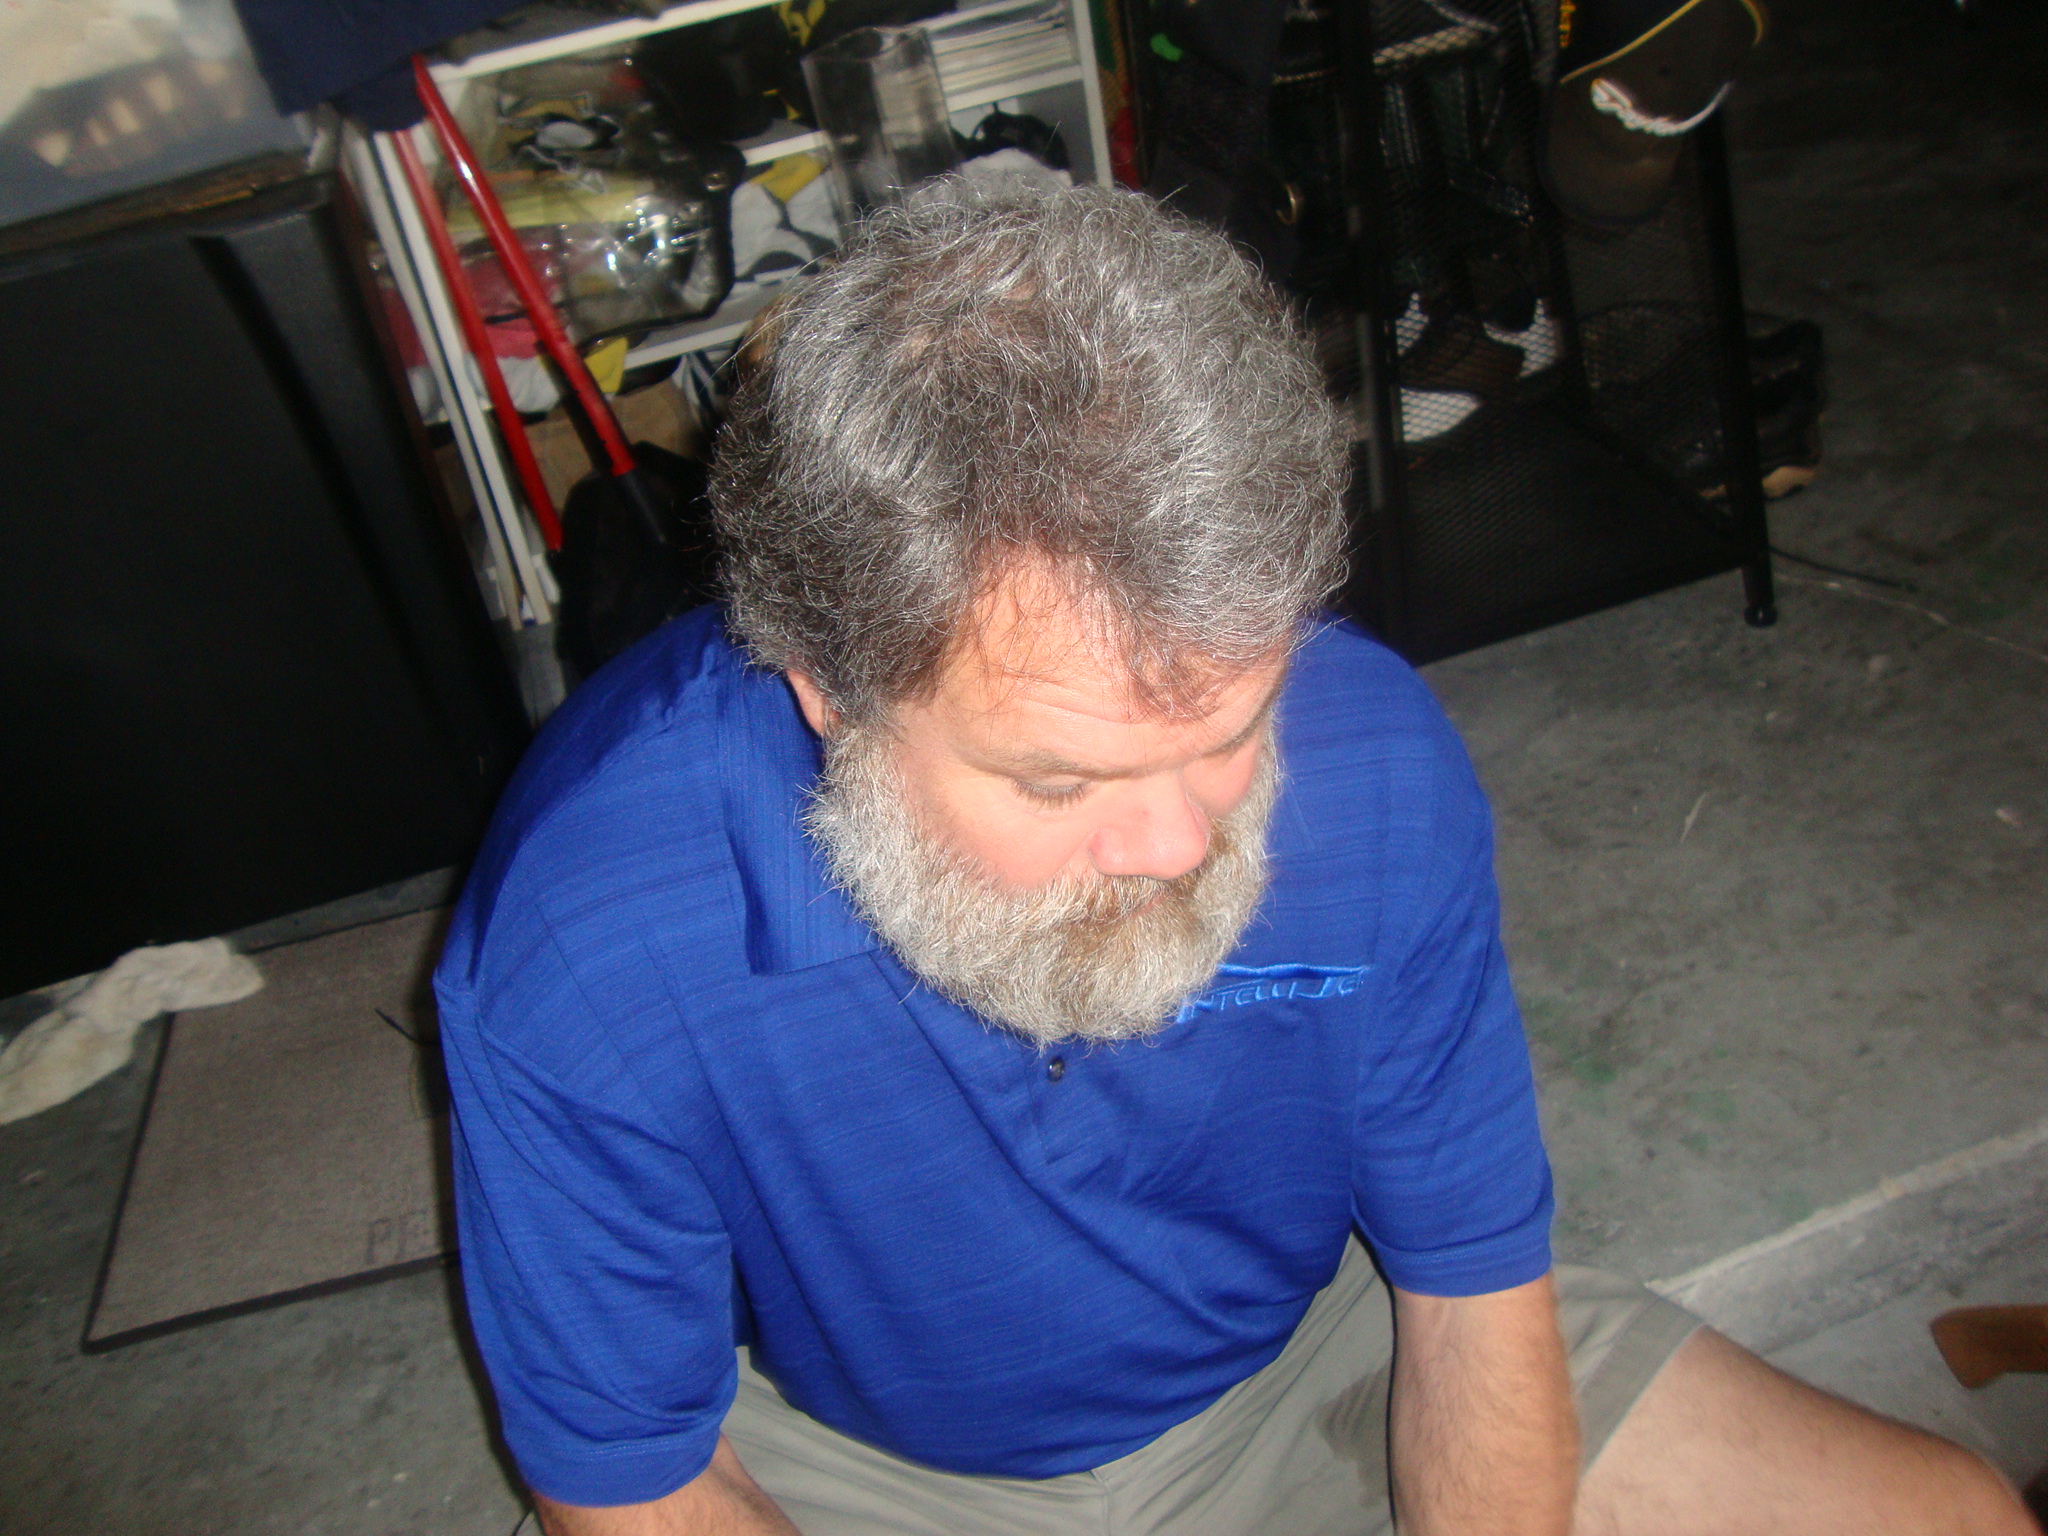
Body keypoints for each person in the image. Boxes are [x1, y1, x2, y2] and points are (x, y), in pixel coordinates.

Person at [434, 183, 2033, 1536]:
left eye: (1228, 729)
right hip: (858, 1470)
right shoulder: (592, 929)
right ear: (828, 688)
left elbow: (1473, 1296)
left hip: (1315, 1361)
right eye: (1059, 778)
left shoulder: (1371, 757)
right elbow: (636, 1482)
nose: (1182, 843)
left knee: (1957, 1517)